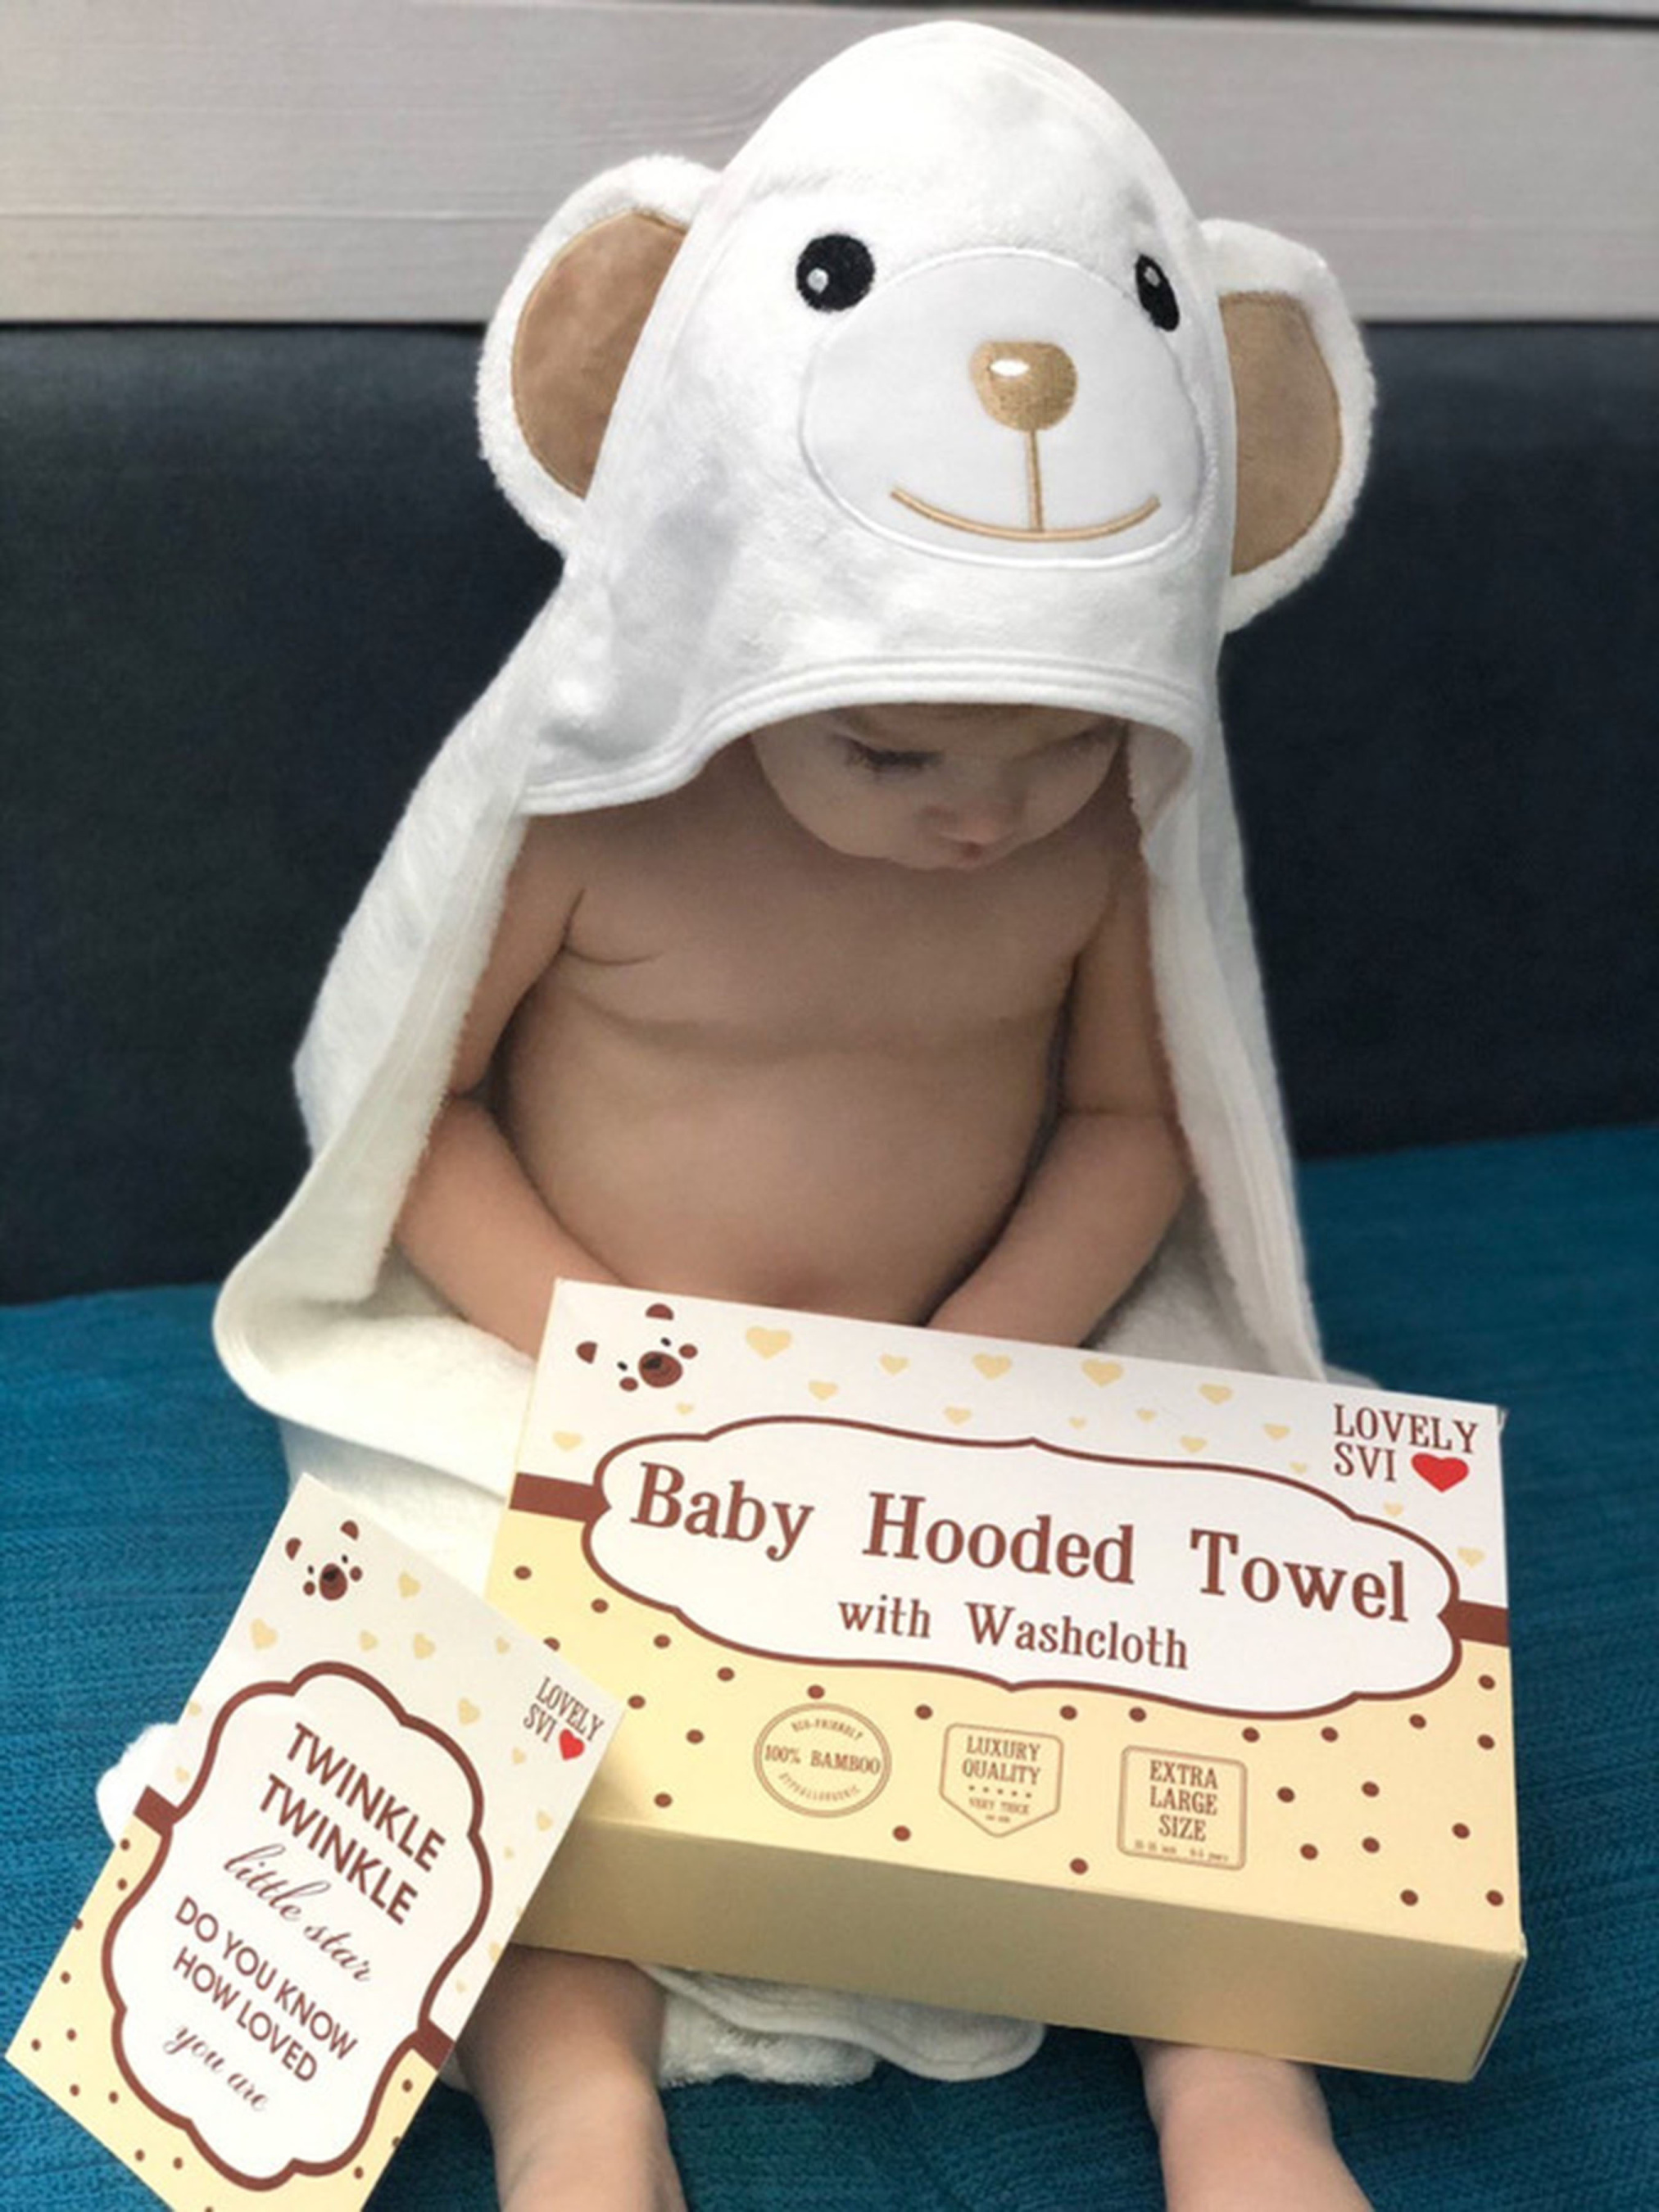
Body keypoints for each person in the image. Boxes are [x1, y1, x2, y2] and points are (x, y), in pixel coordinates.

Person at [392, 696, 1370, 2212]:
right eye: (890, 755)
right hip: (586, 1361)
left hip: (974, 1362)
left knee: (1211, 1633)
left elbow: (1128, 1120)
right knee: (484, 1676)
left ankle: (1236, 2097)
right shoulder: (592, 814)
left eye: (1060, 747)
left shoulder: (1100, 835)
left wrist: (979, 1361)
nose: (984, 818)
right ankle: (575, 2112)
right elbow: (414, 1111)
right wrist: (602, 1361)